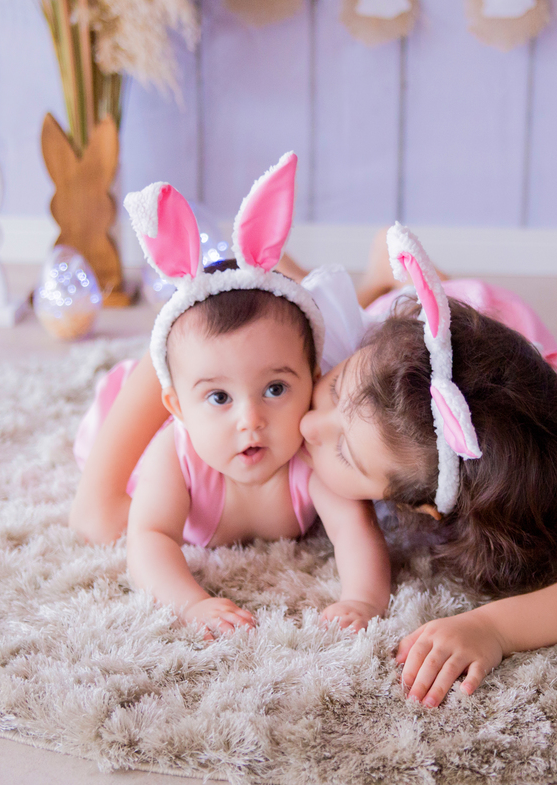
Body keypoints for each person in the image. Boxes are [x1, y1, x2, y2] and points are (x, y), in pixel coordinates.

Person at [72, 184, 557, 711]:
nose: (304, 430)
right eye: (328, 395)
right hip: (411, 339)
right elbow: (185, 363)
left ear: (418, 507)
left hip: (487, 386)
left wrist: (492, 627)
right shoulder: (348, 376)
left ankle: (378, 279)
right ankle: (382, 283)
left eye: (344, 455)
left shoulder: (475, 482)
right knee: (110, 509)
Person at [76, 156, 390, 635]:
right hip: (145, 402)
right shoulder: (175, 454)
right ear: (177, 409)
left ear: (313, 380)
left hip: (243, 359)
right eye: (220, 398)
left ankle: (333, 280)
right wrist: (192, 604)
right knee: (198, 366)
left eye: (276, 389)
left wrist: (363, 599)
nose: (251, 419)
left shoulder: (310, 454)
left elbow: (355, 530)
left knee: (260, 340)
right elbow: (150, 537)